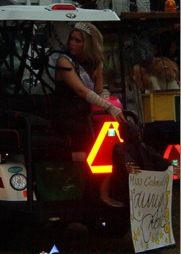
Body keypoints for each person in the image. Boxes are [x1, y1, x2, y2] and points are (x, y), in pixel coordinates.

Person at [54, 22, 125, 150]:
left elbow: (98, 91)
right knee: (94, 130)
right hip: (67, 116)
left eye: (77, 41)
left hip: (87, 114)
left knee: (120, 126)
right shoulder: (64, 61)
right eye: (71, 39)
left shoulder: (95, 63)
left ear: (88, 44)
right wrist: (108, 106)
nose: (72, 43)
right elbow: (80, 90)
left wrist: (105, 95)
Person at [100, 121, 180, 207]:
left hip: (137, 189)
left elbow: (159, 160)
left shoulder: (141, 148)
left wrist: (170, 167)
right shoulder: (140, 148)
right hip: (137, 188)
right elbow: (159, 161)